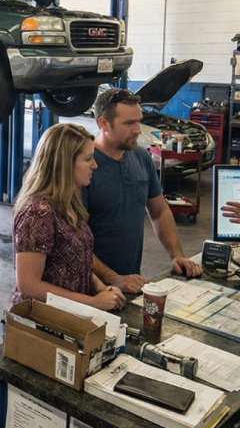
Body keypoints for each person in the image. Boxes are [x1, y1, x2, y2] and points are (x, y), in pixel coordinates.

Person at [83, 88, 202, 293]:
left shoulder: (141, 157)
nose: (138, 130)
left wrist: (177, 255)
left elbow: (159, 211)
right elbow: (72, 238)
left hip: (130, 282)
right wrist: (113, 278)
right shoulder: (84, 166)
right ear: (103, 123)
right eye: (129, 123)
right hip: (90, 288)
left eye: (139, 120)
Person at [12, 124, 126, 309]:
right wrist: (92, 302)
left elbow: (75, 262)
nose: (94, 165)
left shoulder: (68, 202)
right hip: (42, 324)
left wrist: (101, 287)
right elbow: (29, 285)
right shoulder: (37, 213)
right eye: (88, 159)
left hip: (71, 315)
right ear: (64, 164)